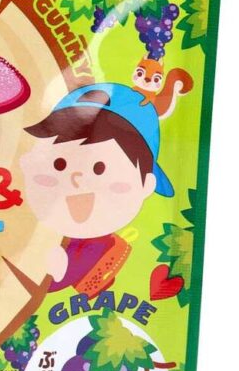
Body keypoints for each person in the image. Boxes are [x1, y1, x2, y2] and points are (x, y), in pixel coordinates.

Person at [19, 84, 173, 294]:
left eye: (99, 168)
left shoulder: (106, 248)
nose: (77, 178)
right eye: (59, 164)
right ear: (27, 164)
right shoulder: (32, 239)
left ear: (147, 185)